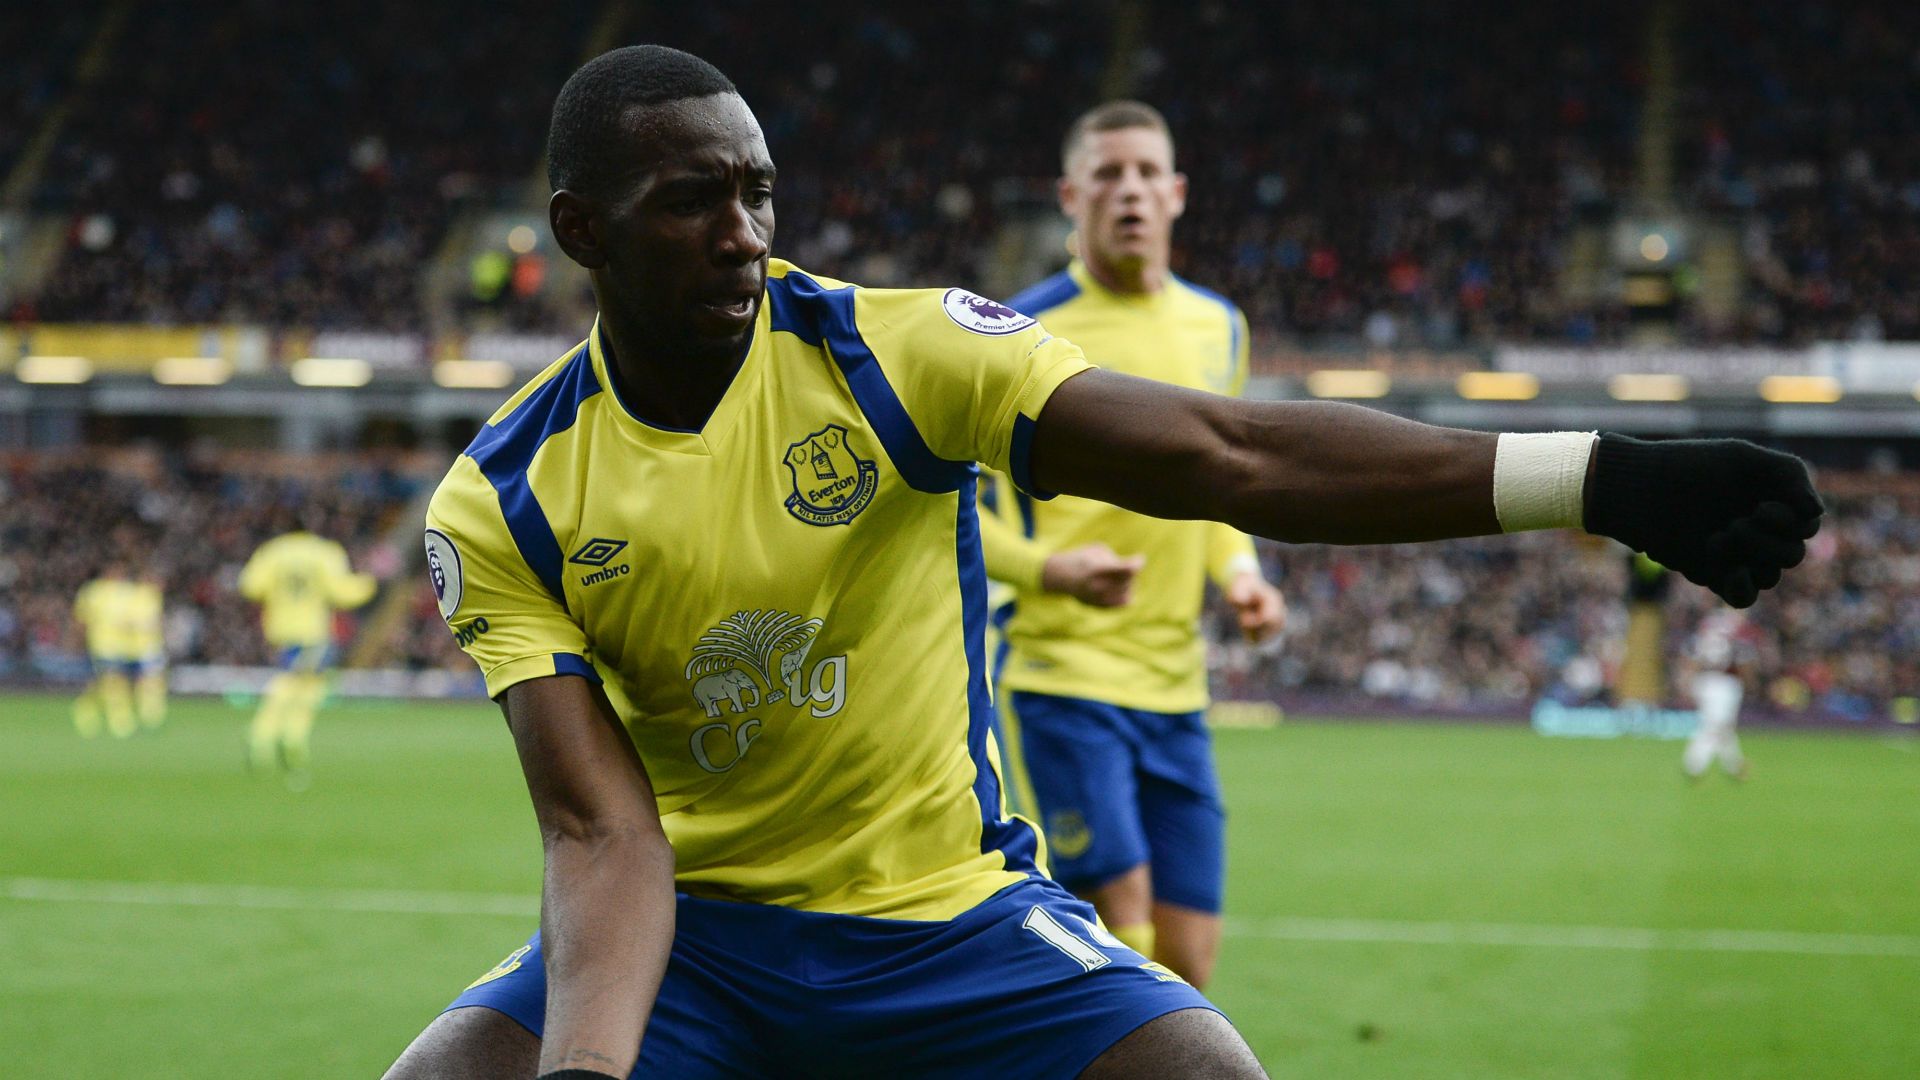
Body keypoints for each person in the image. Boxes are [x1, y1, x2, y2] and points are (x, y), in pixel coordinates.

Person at [384, 45, 1821, 1080]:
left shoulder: (901, 352)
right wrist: (583, 1072)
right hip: (691, 940)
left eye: (761, 193)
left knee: (1206, 1068)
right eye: (696, 200)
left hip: (951, 920)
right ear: (581, 232)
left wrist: (1602, 476)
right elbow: (599, 834)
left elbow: (1230, 455)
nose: (746, 235)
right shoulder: (502, 501)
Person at [976, 100, 1285, 989]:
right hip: (1064, 677)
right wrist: (1051, 571)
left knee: (1189, 963)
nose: (1130, 191)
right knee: (1124, 941)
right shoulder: (1012, 332)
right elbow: (954, 512)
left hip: (1176, 688)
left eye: (1148, 172)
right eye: (1108, 174)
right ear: (1070, 196)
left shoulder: (1219, 326)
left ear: (1179, 194)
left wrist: (1242, 574)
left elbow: (1216, 485)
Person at [237, 525, 376, 781]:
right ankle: (266, 737)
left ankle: (286, 739)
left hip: (280, 627)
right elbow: (342, 592)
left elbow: (250, 585)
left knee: (305, 683)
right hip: (312, 629)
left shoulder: (272, 551)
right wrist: (369, 583)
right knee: (298, 685)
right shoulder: (325, 552)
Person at [71, 562, 167, 737]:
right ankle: (111, 717)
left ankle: (135, 716)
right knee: (109, 683)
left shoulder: (134, 593)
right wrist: (77, 642)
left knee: (127, 682)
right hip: (104, 645)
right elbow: (82, 619)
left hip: (130, 647)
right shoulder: (94, 592)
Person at [1683, 609, 1755, 781]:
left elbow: (1691, 655)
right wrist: (1749, 682)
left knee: (1721, 727)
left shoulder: (1707, 629)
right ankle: (1694, 764)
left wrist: (1688, 680)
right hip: (1725, 682)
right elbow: (1743, 660)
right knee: (1715, 727)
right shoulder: (1735, 632)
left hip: (1705, 680)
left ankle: (1734, 766)